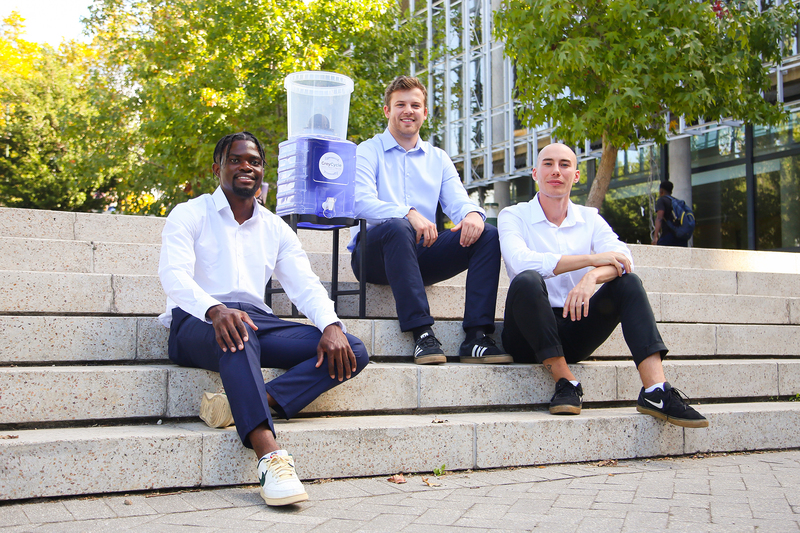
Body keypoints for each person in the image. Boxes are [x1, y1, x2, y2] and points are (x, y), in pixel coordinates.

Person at [158, 132, 369, 506]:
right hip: (196, 319)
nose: (246, 167)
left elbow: (305, 286)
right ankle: (269, 457)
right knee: (239, 330)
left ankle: (243, 402)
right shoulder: (189, 214)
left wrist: (331, 326)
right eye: (236, 160)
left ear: (262, 172)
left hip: (255, 321)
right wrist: (214, 309)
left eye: (253, 161)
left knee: (351, 349)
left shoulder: (275, 228)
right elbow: (174, 276)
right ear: (217, 169)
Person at [498, 143, 708, 428]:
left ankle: (656, 391)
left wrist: (592, 276)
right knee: (527, 280)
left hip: (576, 325)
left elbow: (624, 259)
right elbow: (521, 262)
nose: (556, 171)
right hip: (527, 332)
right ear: (535, 173)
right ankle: (566, 382)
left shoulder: (590, 218)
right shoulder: (514, 215)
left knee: (629, 283)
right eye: (548, 164)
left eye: (564, 164)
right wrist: (591, 259)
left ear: (576, 176)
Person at [349, 75, 509, 365]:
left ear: (424, 113)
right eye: (400, 104)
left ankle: (476, 337)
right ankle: (422, 333)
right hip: (373, 255)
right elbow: (358, 202)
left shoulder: (438, 158)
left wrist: (473, 214)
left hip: (420, 255)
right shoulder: (367, 150)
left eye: (415, 105)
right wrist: (408, 212)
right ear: (387, 111)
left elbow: (458, 201)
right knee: (398, 225)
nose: (408, 110)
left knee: (488, 233)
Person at [652, 180, 689, 247]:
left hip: (668, 236)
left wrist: (655, 237)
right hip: (681, 236)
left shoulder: (662, 200)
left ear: (661, 191)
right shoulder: (678, 202)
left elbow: (659, 218)